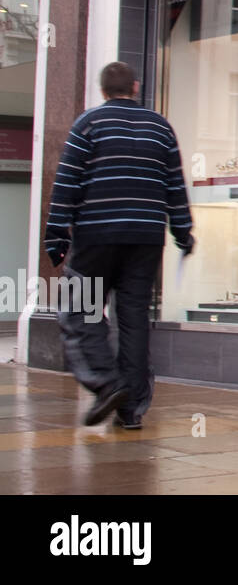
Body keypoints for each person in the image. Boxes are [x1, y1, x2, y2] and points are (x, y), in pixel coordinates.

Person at [43, 62, 195, 429]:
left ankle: (106, 382)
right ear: (136, 87)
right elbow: (175, 185)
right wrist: (183, 232)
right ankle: (132, 409)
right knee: (133, 318)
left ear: (103, 91)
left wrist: (56, 238)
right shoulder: (161, 128)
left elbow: (66, 183)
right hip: (145, 238)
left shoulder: (88, 125)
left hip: (96, 235)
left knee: (82, 309)